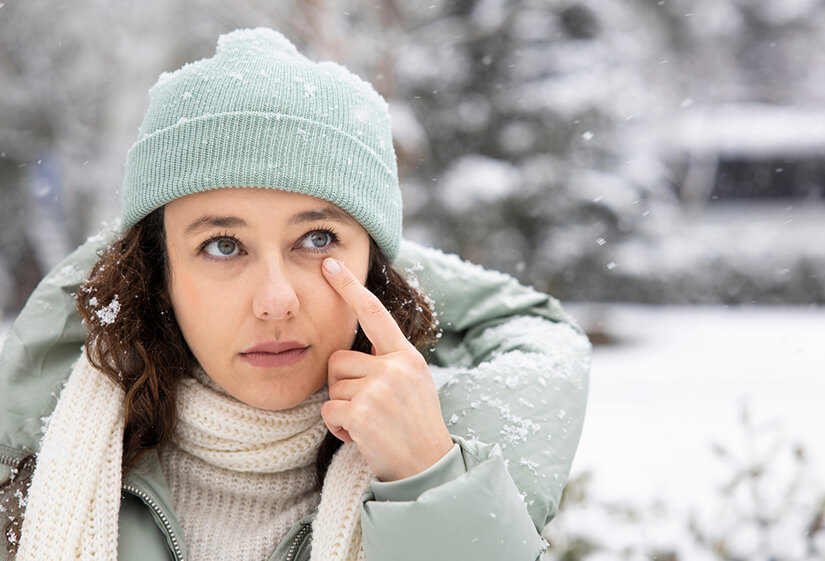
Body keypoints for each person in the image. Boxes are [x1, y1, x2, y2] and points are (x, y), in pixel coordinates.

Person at [0, 28, 590, 561]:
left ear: (375, 265)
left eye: (316, 238)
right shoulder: (38, 468)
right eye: (223, 245)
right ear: (159, 272)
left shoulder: (457, 463)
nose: (276, 300)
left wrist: (424, 480)